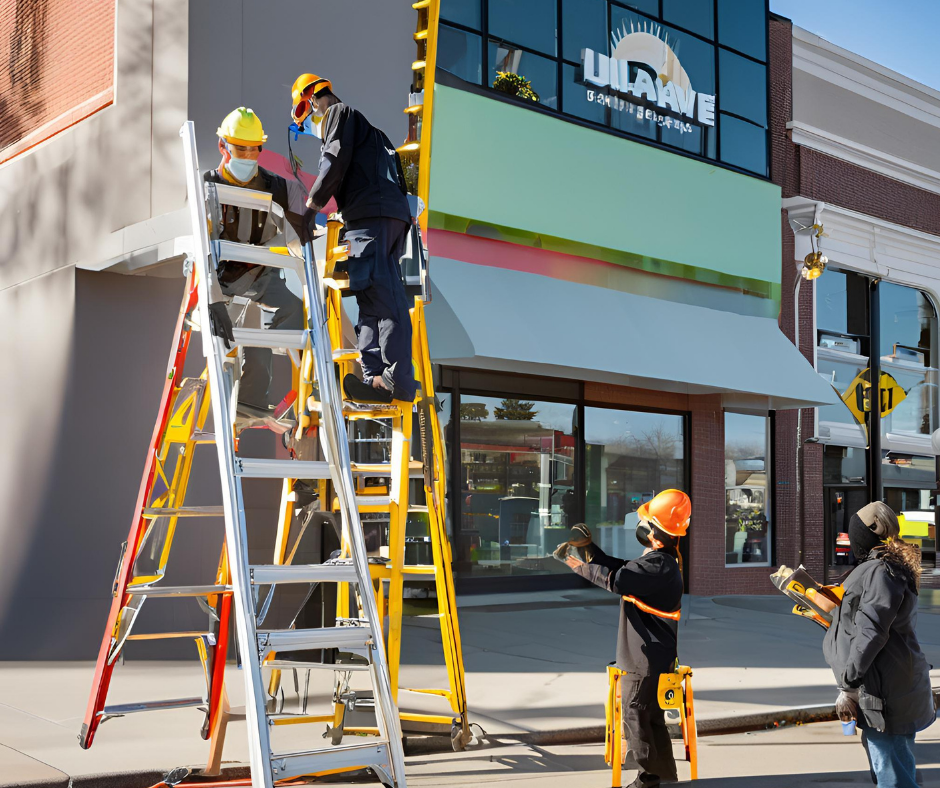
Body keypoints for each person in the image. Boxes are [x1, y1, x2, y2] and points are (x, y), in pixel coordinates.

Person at [289, 73, 418, 404]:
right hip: (383, 219)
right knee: (371, 296)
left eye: (304, 115)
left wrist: (310, 208)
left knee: (383, 300)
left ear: (313, 98)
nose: (308, 126)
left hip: (372, 219)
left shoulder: (338, 114)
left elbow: (333, 161)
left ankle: (395, 378)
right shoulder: (371, 134)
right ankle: (375, 377)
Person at [558, 490, 690, 787]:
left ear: (654, 532)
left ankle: (647, 779)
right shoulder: (662, 562)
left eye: (644, 521)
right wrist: (589, 548)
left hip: (645, 659)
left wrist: (575, 563)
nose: (639, 525)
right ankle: (664, 776)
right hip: (652, 656)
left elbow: (616, 579)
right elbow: (621, 569)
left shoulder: (657, 565)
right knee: (651, 718)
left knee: (636, 714)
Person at [204, 107, 309, 421]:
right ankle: (245, 402)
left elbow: (298, 234)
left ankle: (251, 402)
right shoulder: (208, 186)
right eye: (241, 148)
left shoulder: (276, 186)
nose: (249, 155)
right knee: (245, 345)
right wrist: (212, 300)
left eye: (255, 149)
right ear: (224, 146)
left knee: (295, 312)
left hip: (263, 279)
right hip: (224, 281)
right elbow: (203, 248)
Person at [823, 501, 934, 788]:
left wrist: (848, 684)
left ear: (867, 535)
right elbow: (864, 622)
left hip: (886, 694)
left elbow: (872, 631)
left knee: (894, 776)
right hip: (883, 688)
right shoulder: (881, 569)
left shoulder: (881, 572)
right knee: (893, 768)